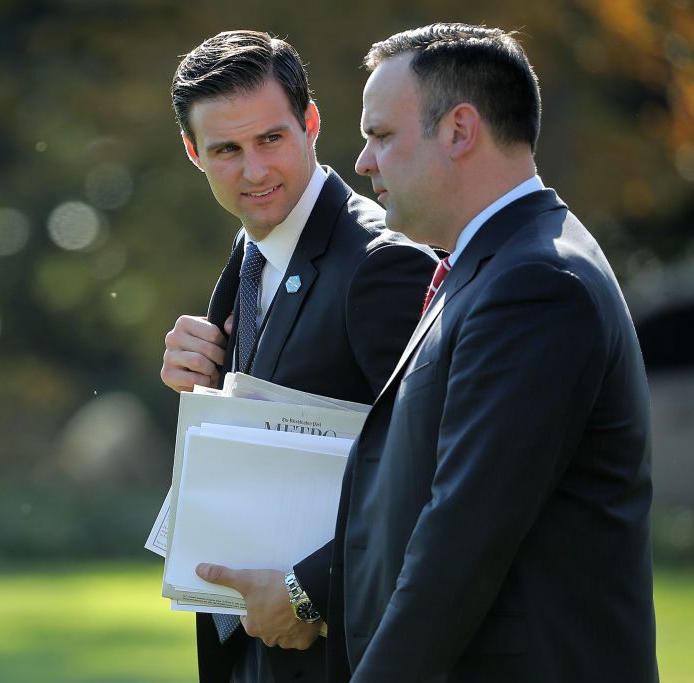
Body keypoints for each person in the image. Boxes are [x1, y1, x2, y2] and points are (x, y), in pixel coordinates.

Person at [326, 23, 658, 682]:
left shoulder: (537, 284)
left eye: (382, 136)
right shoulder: (497, 265)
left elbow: (460, 543)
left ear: (458, 130)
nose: (363, 161)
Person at [160, 30, 437, 683]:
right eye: (226, 149)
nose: (254, 171)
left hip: (341, 654)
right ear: (192, 152)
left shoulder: (383, 266)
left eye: (271, 139)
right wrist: (200, 390)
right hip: (249, 652)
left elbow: (432, 477)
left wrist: (310, 591)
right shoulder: (248, 257)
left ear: (310, 123)